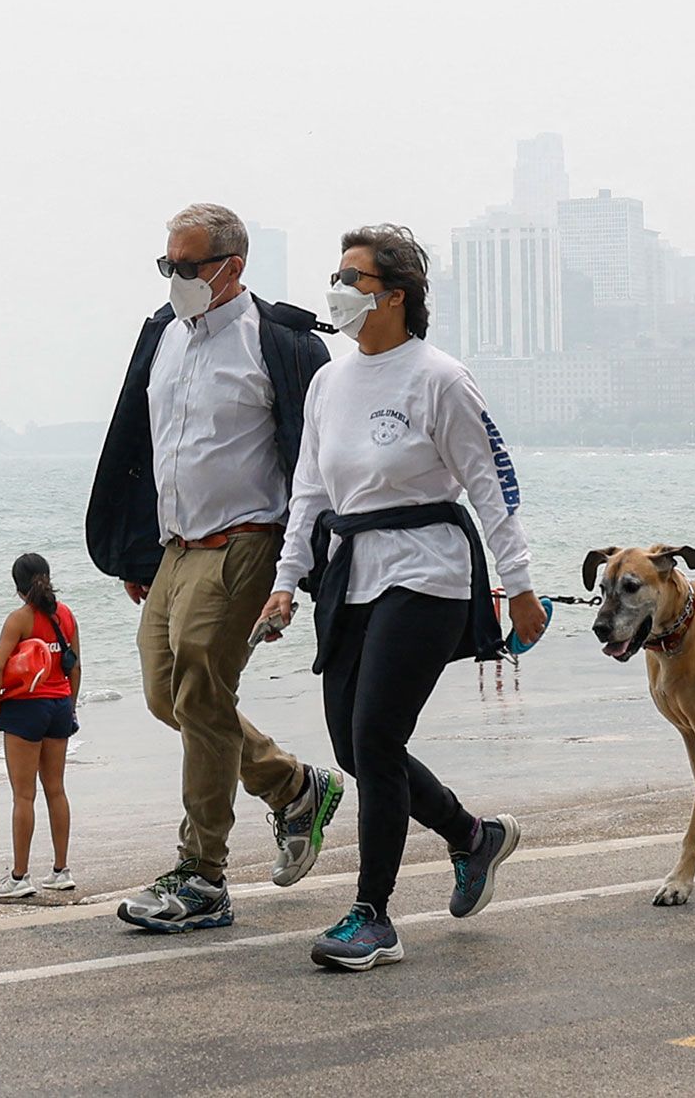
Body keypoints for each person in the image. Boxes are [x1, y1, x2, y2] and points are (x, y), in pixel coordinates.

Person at [258, 225, 549, 972]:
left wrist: (518, 588)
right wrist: (285, 584)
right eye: (338, 272)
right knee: (354, 748)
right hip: (350, 573)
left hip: (428, 572)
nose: (338, 286)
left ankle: (373, 915)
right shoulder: (329, 382)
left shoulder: (440, 377)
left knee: (377, 736)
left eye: (351, 276)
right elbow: (310, 493)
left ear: (395, 295)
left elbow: (492, 486)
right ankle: (472, 835)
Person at [86, 203, 344, 935]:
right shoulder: (162, 336)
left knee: (203, 688)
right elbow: (143, 445)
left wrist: (298, 573)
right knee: (166, 694)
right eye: (168, 263)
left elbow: (314, 459)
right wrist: (140, 546)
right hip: (176, 547)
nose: (177, 277)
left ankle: (201, 874)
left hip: (246, 539)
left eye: (190, 265)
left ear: (234, 265)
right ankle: (293, 785)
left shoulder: (282, 341)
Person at [0, 554, 81, 898]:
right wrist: (68, 709)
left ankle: (19, 876)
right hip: (58, 706)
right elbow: (75, 668)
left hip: (26, 710)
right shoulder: (66, 615)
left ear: (17, 587)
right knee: (56, 789)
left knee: (23, 795)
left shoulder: (19, 619)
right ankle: (61, 871)